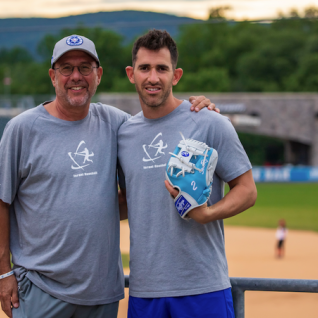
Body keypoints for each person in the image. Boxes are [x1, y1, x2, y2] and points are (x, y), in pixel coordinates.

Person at [0, 34, 217, 318]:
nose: (76, 76)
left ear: (98, 75)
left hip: (102, 294)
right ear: (52, 76)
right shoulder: (22, 129)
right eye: (66, 68)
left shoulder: (117, 124)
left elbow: (161, 124)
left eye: (85, 67)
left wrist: (197, 109)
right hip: (39, 290)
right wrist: (4, 273)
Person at [117, 29, 257, 317]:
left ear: (176, 75)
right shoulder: (123, 134)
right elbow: (127, 201)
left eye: (161, 69)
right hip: (145, 292)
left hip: (203, 288)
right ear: (131, 74)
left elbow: (247, 190)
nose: (152, 77)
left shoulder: (209, 122)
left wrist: (207, 213)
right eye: (144, 68)